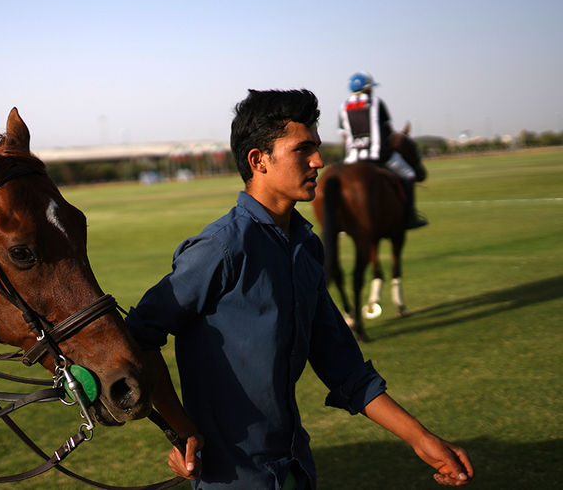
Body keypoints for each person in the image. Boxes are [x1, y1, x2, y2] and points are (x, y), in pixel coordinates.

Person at [125, 89, 473, 489]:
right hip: (232, 477)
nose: (319, 161)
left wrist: (421, 438)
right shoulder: (220, 249)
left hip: (294, 466)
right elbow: (138, 337)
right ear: (259, 160)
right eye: (302, 150)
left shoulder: (306, 247)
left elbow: (343, 366)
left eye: (318, 148)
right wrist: (181, 429)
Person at [339, 72, 428, 229]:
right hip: (379, 155)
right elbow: (388, 132)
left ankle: (341, 222)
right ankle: (410, 216)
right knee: (409, 174)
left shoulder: (343, 107)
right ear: (367, 89)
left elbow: (345, 136)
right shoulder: (376, 103)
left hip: (352, 158)